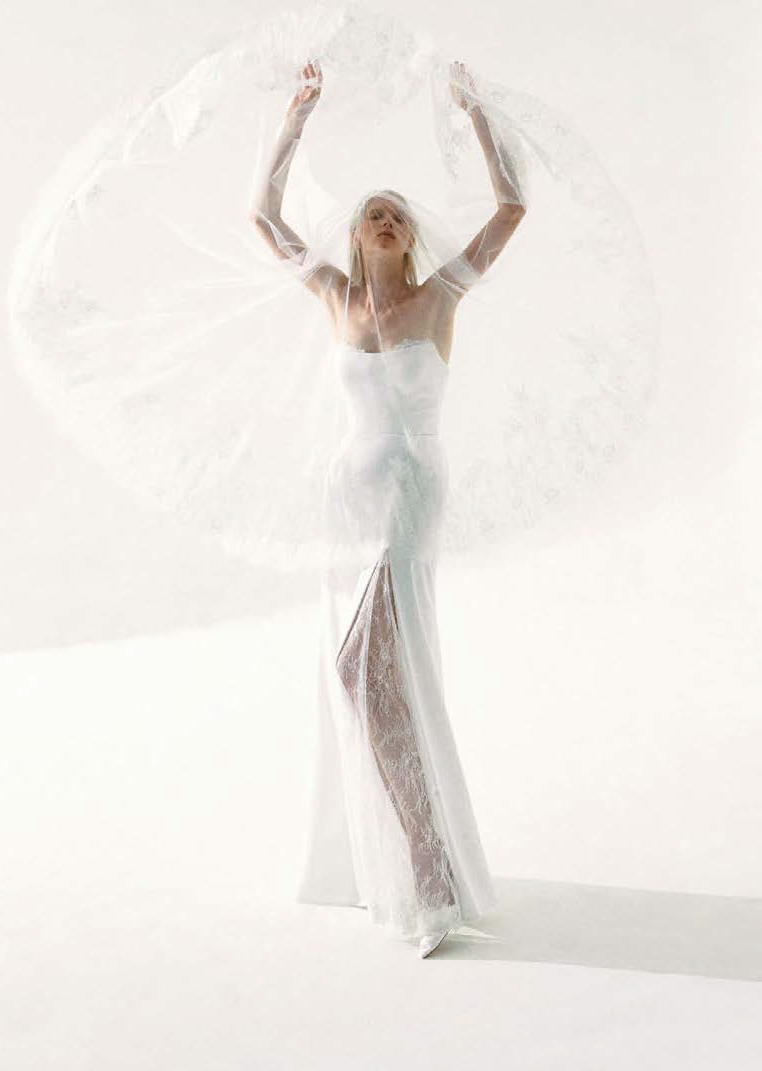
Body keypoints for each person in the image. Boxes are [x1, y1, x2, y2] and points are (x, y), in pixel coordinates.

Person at [250, 59, 526, 958]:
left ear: (408, 236)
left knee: (363, 668)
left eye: (398, 213)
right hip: (350, 491)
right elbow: (262, 216)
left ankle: (429, 863)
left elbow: (510, 209)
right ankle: (415, 857)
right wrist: (294, 120)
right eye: (374, 210)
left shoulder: (439, 295)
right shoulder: (334, 295)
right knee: (366, 675)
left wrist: (476, 114)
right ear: (356, 230)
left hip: (410, 484)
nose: (385, 217)